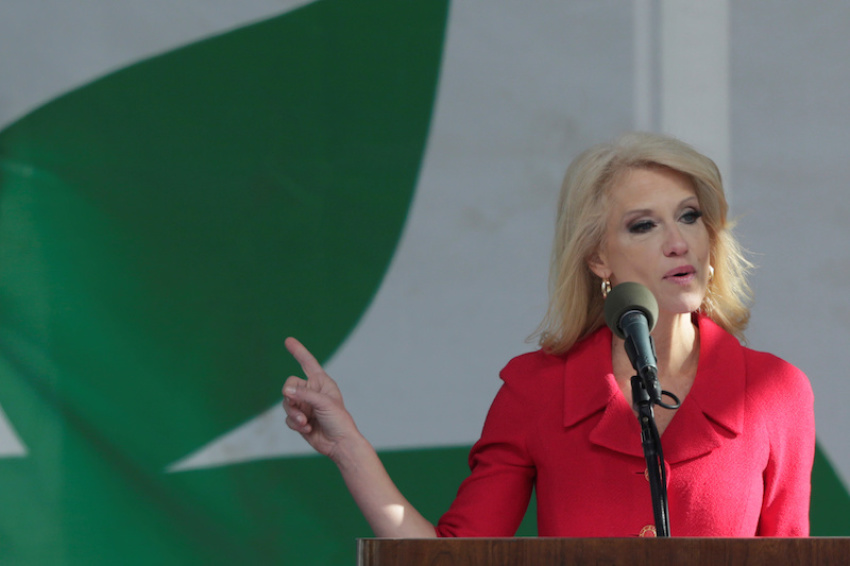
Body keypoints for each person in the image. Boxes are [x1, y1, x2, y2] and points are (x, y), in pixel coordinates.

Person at [282, 131, 815, 538]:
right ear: (598, 258)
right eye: (644, 225)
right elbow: (451, 559)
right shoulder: (537, 389)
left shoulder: (777, 393)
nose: (678, 242)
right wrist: (349, 449)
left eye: (690, 216)